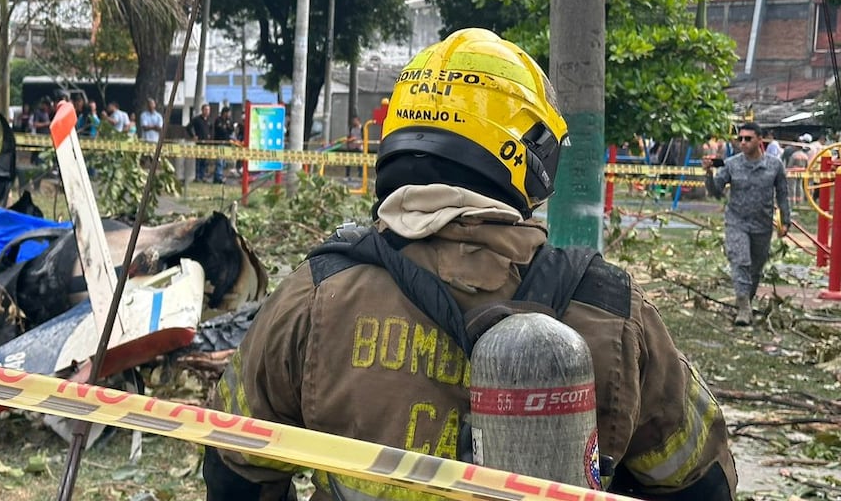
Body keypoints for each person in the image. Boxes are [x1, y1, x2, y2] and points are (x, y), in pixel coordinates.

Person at [204, 28, 736, 500]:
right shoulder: (608, 310)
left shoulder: (316, 294)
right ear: (531, 152)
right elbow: (698, 480)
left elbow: (235, 467)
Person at [703, 122, 791, 327]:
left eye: (748, 139)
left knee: (755, 269)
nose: (743, 142)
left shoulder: (774, 165)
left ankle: (746, 302)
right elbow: (715, 192)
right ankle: (743, 307)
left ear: (760, 140)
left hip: (762, 224)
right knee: (740, 260)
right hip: (737, 222)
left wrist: (785, 221)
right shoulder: (731, 164)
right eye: (740, 139)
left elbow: (783, 194)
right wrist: (708, 174)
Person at [187, 104, 212, 182]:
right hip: (199, 143)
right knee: (198, 161)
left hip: (206, 143)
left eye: (208, 110)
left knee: (204, 161)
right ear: (202, 110)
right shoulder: (197, 119)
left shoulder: (209, 120)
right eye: (206, 110)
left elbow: (211, 130)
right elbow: (188, 127)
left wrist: (210, 136)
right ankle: (197, 176)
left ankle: (202, 176)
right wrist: (193, 136)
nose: (207, 111)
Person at [211, 106, 233, 183]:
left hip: (227, 143)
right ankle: (218, 178)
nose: (229, 115)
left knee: (223, 162)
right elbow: (221, 130)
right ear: (225, 113)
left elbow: (231, 130)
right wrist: (226, 127)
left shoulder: (229, 121)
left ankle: (217, 176)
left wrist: (227, 126)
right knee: (219, 161)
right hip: (220, 143)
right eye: (228, 113)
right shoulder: (218, 120)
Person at [344, 114, 363, 180]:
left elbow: (364, 137)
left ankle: (360, 175)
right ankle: (347, 175)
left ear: (358, 121)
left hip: (359, 147)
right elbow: (349, 136)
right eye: (353, 121)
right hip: (351, 147)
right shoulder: (352, 128)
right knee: (348, 161)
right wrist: (349, 141)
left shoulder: (362, 128)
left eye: (355, 121)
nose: (354, 122)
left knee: (360, 162)